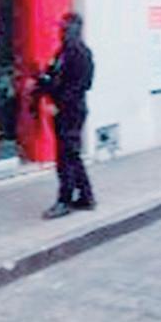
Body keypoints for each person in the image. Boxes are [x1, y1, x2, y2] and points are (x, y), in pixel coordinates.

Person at [34, 12, 96, 219]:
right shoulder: (63, 51)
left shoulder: (81, 53)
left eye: (65, 28)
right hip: (63, 108)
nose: (62, 32)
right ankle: (86, 196)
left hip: (71, 111)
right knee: (71, 154)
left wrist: (59, 103)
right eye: (61, 28)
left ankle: (65, 200)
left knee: (65, 157)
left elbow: (82, 84)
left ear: (75, 29)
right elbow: (53, 75)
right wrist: (42, 80)